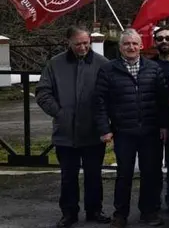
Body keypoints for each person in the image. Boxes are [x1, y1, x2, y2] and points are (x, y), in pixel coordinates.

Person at [36, 26, 111, 228]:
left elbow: (110, 95)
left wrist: (105, 123)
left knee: (94, 175)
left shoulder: (102, 64)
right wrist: (59, 112)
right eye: (78, 44)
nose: (83, 47)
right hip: (65, 132)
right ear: (68, 42)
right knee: (68, 176)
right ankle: (69, 213)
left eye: (86, 43)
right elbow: (43, 92)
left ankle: (94, 210)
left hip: (93, 132)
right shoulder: (55, 64)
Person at [94, 29, 169, 228]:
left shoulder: (153, 68)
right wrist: (104, 128)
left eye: (135, 44)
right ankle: (120, 214)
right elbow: (100, 101)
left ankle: (148, 212)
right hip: (123, 131)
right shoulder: (108, 70)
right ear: (120, 47)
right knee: (124, 174)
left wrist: (163, 125)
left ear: (141, 46)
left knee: (151, 173)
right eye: (127, 44)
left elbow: (163, 100)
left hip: (151, 130)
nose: (131, 47)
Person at [149, 26, 169, 214]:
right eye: (160, 38)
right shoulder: (148, 65)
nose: (164, 41)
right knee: (152, 167)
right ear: (155, 42)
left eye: (168, 38)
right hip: (154, 123)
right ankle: (152, 204)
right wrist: (161, 124)